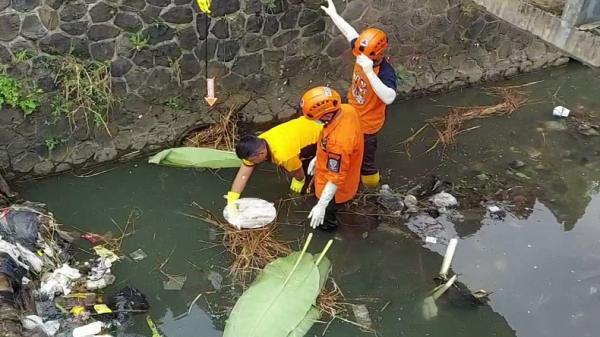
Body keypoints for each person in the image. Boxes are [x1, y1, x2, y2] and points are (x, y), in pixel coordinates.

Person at [321, 0, 398, 188]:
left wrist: (370, 72)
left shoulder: (386, 72)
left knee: (367, 161)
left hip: (367, 126)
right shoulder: (362, 49)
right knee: (341, 147)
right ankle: (342, 180)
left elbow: (389, 97)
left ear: (377, 54)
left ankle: (372, 191)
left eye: (365, 56)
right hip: (349, 112)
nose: (359, 57)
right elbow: (349, 33)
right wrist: (334, 15)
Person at [301, 86, 364, 231]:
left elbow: (335, 178)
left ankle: (328, 230)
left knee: (326, 215)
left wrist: (322, 205)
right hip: (344, 167)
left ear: (326, 115)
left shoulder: (338, 142)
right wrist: (318, 157)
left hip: (337, 186)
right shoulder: (347, 110)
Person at [225, 116, 322, 207]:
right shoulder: (257, 144)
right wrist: (233, 197)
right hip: (307, 123)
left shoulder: (283, 155)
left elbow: (298, 171)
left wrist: (299, 181)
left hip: (321, 135)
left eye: (251, 160)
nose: (250, 163)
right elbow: (243, 174)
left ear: (261, 154)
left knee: (310, 172)